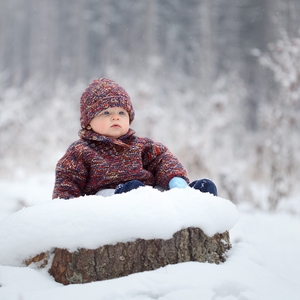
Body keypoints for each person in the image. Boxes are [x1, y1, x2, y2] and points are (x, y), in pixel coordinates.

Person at [52, 78, 217, 199]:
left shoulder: (141, 145)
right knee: (120, 193)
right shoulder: (80, 151)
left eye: (121, 113)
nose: (115, 117)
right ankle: (136, 198)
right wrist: (66, 206)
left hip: (148, 194)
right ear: (88, 122)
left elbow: (162, 160)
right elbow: (67, 183)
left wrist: (175, 178)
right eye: (106, 113)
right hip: (107, 199)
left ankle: (193, 197)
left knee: (160, 191)